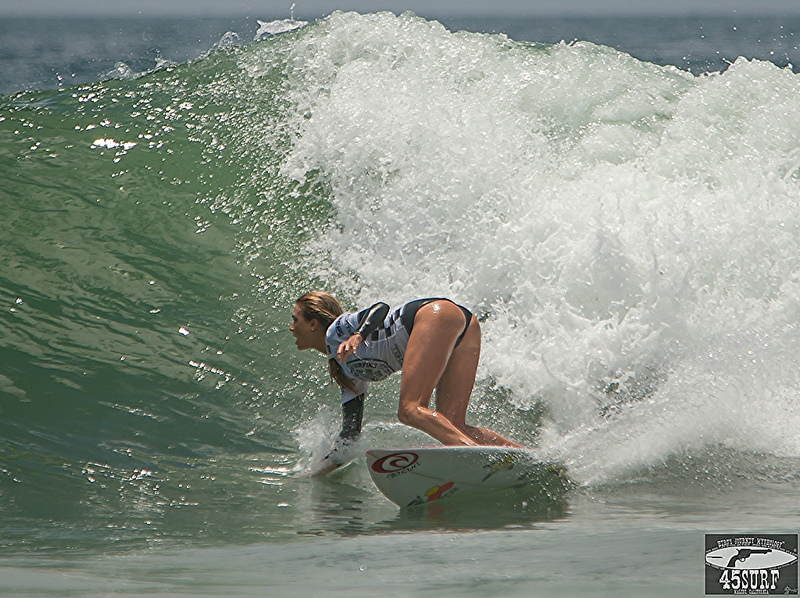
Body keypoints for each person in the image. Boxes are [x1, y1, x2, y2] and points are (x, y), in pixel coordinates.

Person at [290, 291, 521, 474]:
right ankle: (522, 457)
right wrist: (316, 472)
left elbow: (379, 308)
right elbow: (350, 435)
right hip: (462, 323)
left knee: (410, 409)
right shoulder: (347, 370)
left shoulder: (335, 332)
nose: (291, 327)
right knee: (452, 424)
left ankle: (483, 461)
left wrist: (358, 335)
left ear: (313, 324)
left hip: (433, 315)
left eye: (295, 319)